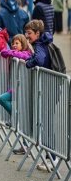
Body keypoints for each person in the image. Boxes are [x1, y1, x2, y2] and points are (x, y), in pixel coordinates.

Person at [24, 20, 56, 170]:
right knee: (47, 123)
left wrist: (28, 63)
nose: (27, 36)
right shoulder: (43, 42)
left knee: (48, 124)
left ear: (37, 33)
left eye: (29, 33)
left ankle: (52, 159)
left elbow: (40, 59)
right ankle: (50, 157)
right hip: (50, 86)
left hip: (49, 87)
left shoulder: (40, 45)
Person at [0, 34, 32, 114]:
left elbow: (23, 56)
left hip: (24, 88)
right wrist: (10, 52)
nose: (14, 45)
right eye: (13, 43)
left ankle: (16, 119)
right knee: (2, 99)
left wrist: (11, 52)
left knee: (3, 99)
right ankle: (15, 117)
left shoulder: (27, 53)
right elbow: (3, 52)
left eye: (17, 43)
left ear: (23, 44)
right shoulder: (13, 54)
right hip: (15, 87)